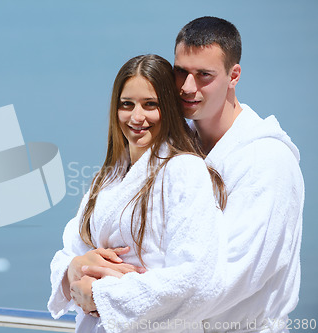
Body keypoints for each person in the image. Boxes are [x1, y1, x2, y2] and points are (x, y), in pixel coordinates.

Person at [65, 17, 305, 332]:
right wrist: (76, 268)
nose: (187, 88)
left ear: (234, 76)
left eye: (204, 75)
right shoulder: (170, 145)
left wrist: (104, 293)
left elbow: (225, 280)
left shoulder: (266, 161)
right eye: (181, 72)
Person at [48, 54, 228, 332]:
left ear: (167, 108)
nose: (136, 117)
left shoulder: (185, 171)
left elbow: (195, 278)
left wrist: (101, 295)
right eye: (126, 105)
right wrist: (74, 268)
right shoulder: (107, 178)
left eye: (150, 105)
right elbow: (70, 250)